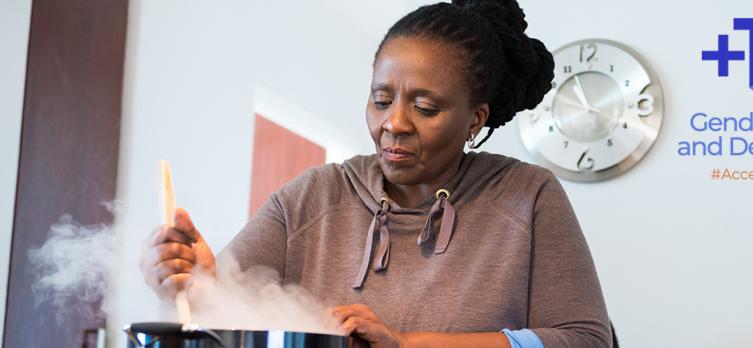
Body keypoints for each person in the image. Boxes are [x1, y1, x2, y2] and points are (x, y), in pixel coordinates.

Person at [141, 0, 613, 347]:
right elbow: (222, 318)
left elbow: (585, 339)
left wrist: (407, 344)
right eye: (381, 100)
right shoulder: (310, 197)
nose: (394, 123)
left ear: (474, 119)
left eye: (424, 107)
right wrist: (195, 280)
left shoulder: (527, 197)